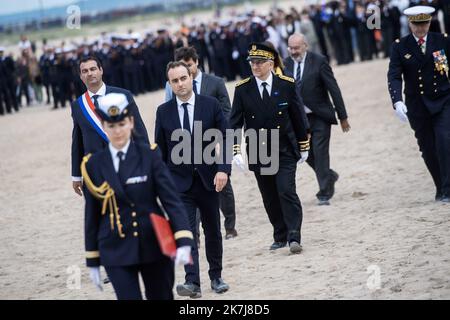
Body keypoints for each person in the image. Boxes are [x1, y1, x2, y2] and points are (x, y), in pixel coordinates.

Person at [81, 92, 194, 300]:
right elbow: (92, 214)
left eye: (122, 124)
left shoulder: (149, 155)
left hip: (154, 244)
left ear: (131, 122)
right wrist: (92, 258)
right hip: (115, 248)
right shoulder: (93, 164)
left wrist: (183, 239)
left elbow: (171, 201)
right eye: (111, 126)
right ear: (104, 127)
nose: (118, 131)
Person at [155, 61, 231, 298]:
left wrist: (223, 169)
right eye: (174, 81)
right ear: (170, 84)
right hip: (179, 185)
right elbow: (160, 151)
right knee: (186, 233)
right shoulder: (163, 111)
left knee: (213, 230)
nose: (180, 84)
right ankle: (192, 282)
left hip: (209, 179)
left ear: (191, 77)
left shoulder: (210, 105)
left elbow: (227, 137)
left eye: (183, 78)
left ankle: (216, 276)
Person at [230, 43, 310, 254]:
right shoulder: (242, 89)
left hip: (284, 148)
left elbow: (298, 117)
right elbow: (234, 123)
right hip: (258, 148)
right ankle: (280, 235)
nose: (254, 66)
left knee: (286, 190)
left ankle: (294, 236)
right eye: (252, 62)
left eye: (258, 62)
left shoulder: (286, 84)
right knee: (270, 196)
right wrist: (236, 149)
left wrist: (304, 145)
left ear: (270, 63)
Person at [165, 46, 238, 240]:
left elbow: (226, 111)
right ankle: (194, 234)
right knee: (192, 188)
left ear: (196, 62)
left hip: (212, 143)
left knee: (222, 185)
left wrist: (222, 140)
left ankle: (230, 225)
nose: (185, 72)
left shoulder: (215, 83)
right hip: (185, 146)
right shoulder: (171, 87)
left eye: (189, 66)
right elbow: (170, 113)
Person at [387, 5, 450, 203]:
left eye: (424, 24)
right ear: (409, 23)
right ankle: (440, 186)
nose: (420, 29)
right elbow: (394, 75)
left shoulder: (443, 41)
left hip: (443, 99)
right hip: (417, 104)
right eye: (416, 24)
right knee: (427, 147)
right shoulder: (400, 46)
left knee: (444, 141)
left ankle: (448, 189)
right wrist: (397, 100)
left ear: (430, 22)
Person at [284, 33, 351, 205]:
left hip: (320, 116)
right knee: (305, 154)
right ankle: (329, 175)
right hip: (298, 120)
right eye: (291, 48)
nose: (293, 51)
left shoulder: (319, 61)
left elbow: (333, 88)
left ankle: (324, 193)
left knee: (320, 154)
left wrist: (342, 116)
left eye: (296, 48)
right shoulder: (286, 64)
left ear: (305, 45)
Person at [71, 56, 149, 197]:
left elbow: (139, 131)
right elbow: (78, 142)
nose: (90, 73)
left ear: (101, 70)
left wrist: (147, 161)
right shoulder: (77, 105)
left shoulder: (122, 95)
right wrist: (76, 175)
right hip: (95, 170)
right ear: (81, 76)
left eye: (93, 69)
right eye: (85, 71)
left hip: (126, 165)